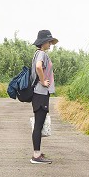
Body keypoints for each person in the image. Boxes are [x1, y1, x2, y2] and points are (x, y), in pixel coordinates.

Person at [30, 29, 57, 164]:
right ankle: (36, 155)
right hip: (41, 93)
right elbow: (38, 67)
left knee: (38, 123)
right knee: (38, 124)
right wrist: (42, 81)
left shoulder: (37, 53)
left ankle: (37, 153)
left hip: (38, 93)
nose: (51, 44)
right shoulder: (41, 54)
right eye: (49, 41)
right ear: (43, 42)